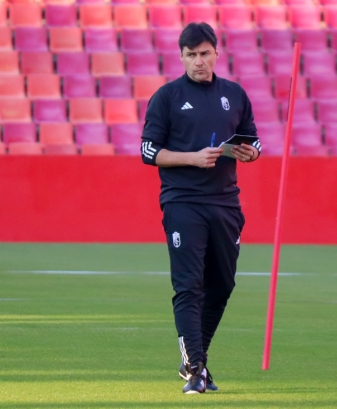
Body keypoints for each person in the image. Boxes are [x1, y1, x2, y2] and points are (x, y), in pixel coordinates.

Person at [140, 22, 261, 394]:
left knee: (222, 285)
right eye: (191, 55)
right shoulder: (167, 97)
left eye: (204, 53)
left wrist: (251, 152)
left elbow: (254, 140)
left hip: (225, 202)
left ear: (216, 54)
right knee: (189, 285)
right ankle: (195, 369)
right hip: (183, 201)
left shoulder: (235, 95)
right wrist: (192, 158)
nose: (198, 61)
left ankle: (198, 360)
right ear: (181, 56)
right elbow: (147, 151)